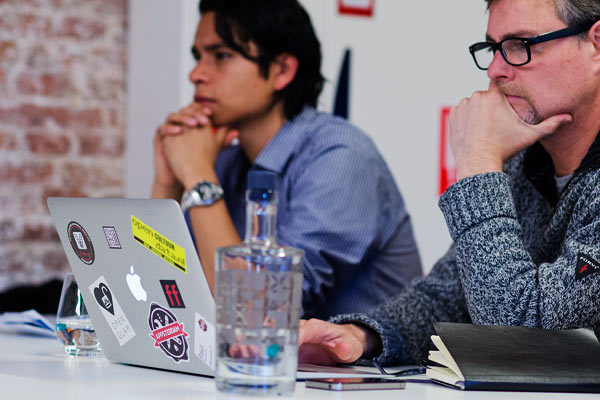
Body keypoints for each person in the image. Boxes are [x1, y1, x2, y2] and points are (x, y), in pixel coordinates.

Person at [297, 0, 600, 366]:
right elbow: (448, 297)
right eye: (493, 47)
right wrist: (362, 337)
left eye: (520, 45)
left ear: (596, 44)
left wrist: (478, 161)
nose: (495, 69)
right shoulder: (524, 163)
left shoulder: (496, 159)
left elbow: (523, 341)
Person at [151, 0, 422, 319]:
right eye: (198, 57)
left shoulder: (340, 155)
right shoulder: (224, 159)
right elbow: (157, 294)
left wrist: (198, 178)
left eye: (221, 56)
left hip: (368, 354)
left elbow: (259, 312)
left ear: (282, 71)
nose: (196, 74)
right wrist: (168, 182)